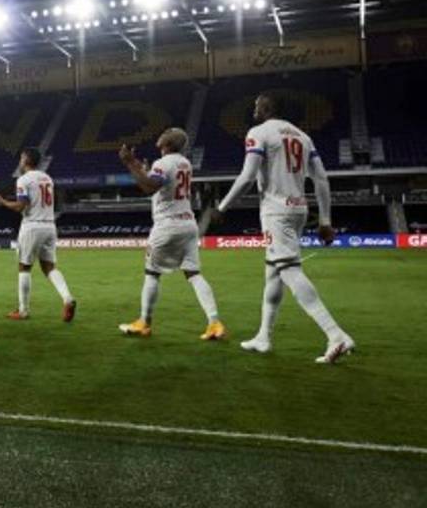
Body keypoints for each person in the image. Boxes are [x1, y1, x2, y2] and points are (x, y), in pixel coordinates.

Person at [216, 93, 355, 363]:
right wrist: (325, 220)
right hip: (299, 209)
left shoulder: (259, 132)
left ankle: (336, 334)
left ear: (267, 107)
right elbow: (322, 179)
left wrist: (221, 208)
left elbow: (247, 176)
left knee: (290, 271)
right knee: (273, 274)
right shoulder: (303, 136)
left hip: (276, 211)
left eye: (256, 104)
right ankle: (263, 337)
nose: (254, 108)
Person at [117, 128, 226, 341]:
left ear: (169, 141)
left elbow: (149, 187)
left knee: (152, 273)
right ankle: (214, 322)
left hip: (167, 225)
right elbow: (156, 181)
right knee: (194, 274)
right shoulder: (184, 163)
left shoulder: (163, 163)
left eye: (167, 132)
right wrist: (142, 169)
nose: (162, 133)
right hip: (188, 224)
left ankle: (144, 323)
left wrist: (129, 163)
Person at [0, 147, 76, 322]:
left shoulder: (24, 180)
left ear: (27, 160)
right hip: (50, 225)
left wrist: (2, 201)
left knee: (24, 267)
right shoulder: (47, 178)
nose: (19, 161)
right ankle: (67, 298)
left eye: (21, 158)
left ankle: (23, 310)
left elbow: (21, 206)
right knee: (49, 267)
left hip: (32, 226)